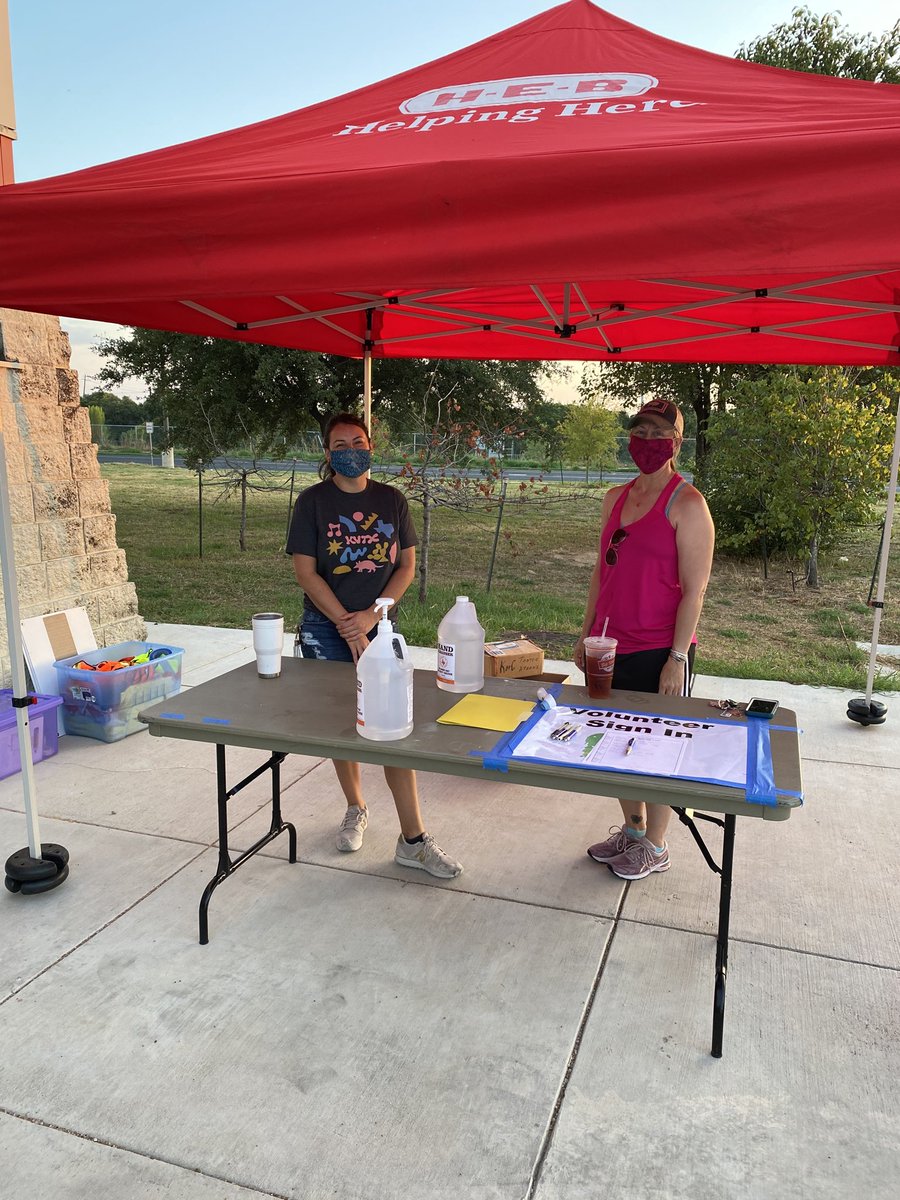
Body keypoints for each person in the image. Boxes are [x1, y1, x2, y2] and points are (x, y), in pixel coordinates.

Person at [286, 412, 462, 879]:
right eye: (339, 443)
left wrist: (372, 616)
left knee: (393, 725)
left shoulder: (392, 500)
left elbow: (405, 566)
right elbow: (306, 572)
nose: (350, 449)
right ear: (327, 453)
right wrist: (347, 624)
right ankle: (356, 807)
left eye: (358, 441)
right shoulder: (312, 503)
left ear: (370, 446)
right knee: (343, 727)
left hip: (382, 630)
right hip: (326, 628)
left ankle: (413, 839)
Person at [575, 398, 715, 881]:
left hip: (660, 648)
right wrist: (587, 631)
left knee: (653, 749)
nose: (648, 442)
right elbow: (601, 571)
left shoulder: (688, 504)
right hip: (609, 645)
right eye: (641, 431)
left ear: (677, 443)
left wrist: (677, 658)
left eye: (660, 433)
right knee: (614, 743)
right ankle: (633, 831)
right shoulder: (615, 497)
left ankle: (656, 845)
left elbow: (695, 591)